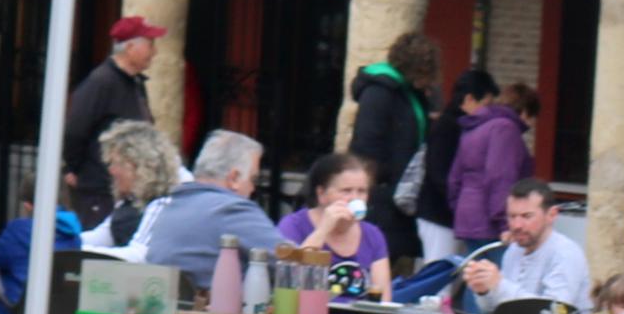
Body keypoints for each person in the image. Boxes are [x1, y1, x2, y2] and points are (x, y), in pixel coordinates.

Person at [340, 30, 447, 273]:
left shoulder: (413, 94)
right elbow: (366, 145)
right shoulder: (380, 92)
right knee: (376, 263)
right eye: (423, 72)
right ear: (412, 68)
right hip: (382, 195)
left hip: (401, 196)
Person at [142, 129, 289, 282]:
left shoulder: (171, 206)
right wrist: (317, 231)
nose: (253, 189)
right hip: (215, 304)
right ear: (234, 178)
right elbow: (288, 260)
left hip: (164, 301)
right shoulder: (232, 209)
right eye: (253, 179)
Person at [60, 15, 165, 220]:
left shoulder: (134, 82)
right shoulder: (102, 82)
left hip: (125, 188)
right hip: (100, 188)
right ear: (130, 47)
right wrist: (72, 168)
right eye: (150, 44)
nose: (154, 52)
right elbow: (75, 129)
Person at [458, 176, 593, 314]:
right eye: (512, 216)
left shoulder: (566, 253)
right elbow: (494, 311)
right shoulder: (514, 250)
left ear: (551, 215)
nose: (517, 225)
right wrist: (484, 290)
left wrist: (499, 284)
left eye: (527, 216)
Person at [289, 151, 390, 300]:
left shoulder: (373, 235)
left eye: (362, 191)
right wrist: (323, 230)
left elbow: (382, 299)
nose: (355, 198)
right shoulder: (294, 225)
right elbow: (289, 280)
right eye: (346, 191)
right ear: (322, 194)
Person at [445, 67, 529, 245]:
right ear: (525, 113)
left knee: (475, 271)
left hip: (468, 218)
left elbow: (454, 179)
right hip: (490, 226)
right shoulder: (504, 129)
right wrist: (506, 224)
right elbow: (500, 178)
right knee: (498, 272)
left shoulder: (471, 128)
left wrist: (462, 208)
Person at [91, 123, 181, 257]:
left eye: (116, 163)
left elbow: (138, 255)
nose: (111, 171)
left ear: (140, 166)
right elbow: (99, 237)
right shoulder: (128, 203)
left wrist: (76, 249)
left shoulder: (164, 204)